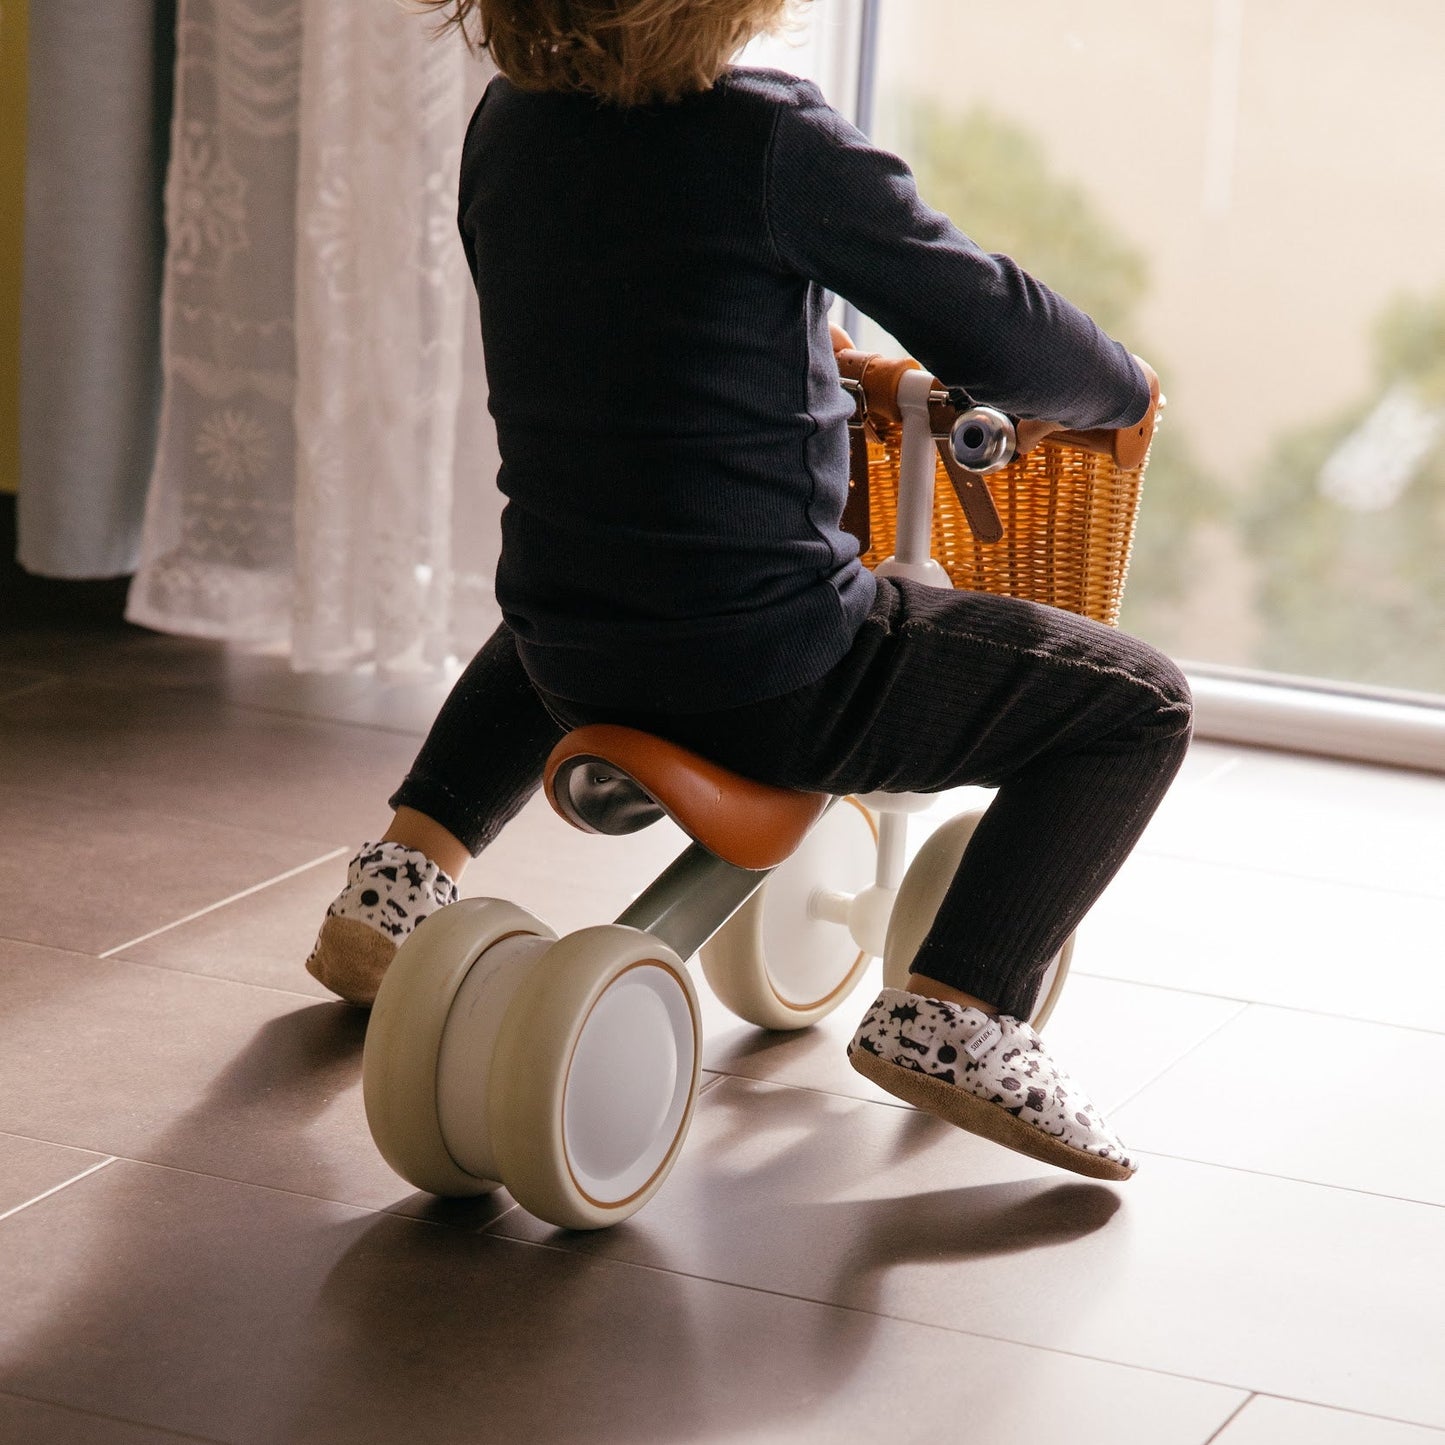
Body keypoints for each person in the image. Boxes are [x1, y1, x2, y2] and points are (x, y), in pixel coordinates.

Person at [306, 0, 1192, 1183]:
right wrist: (1115, 385)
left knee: (595, 560)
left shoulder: (508, 123)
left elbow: (615, 320)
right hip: (773, 672)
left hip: (567, 648)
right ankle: (960, 1005)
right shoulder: (770, 138)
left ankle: (402, 872)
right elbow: (989, 321)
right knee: (1137, 704)